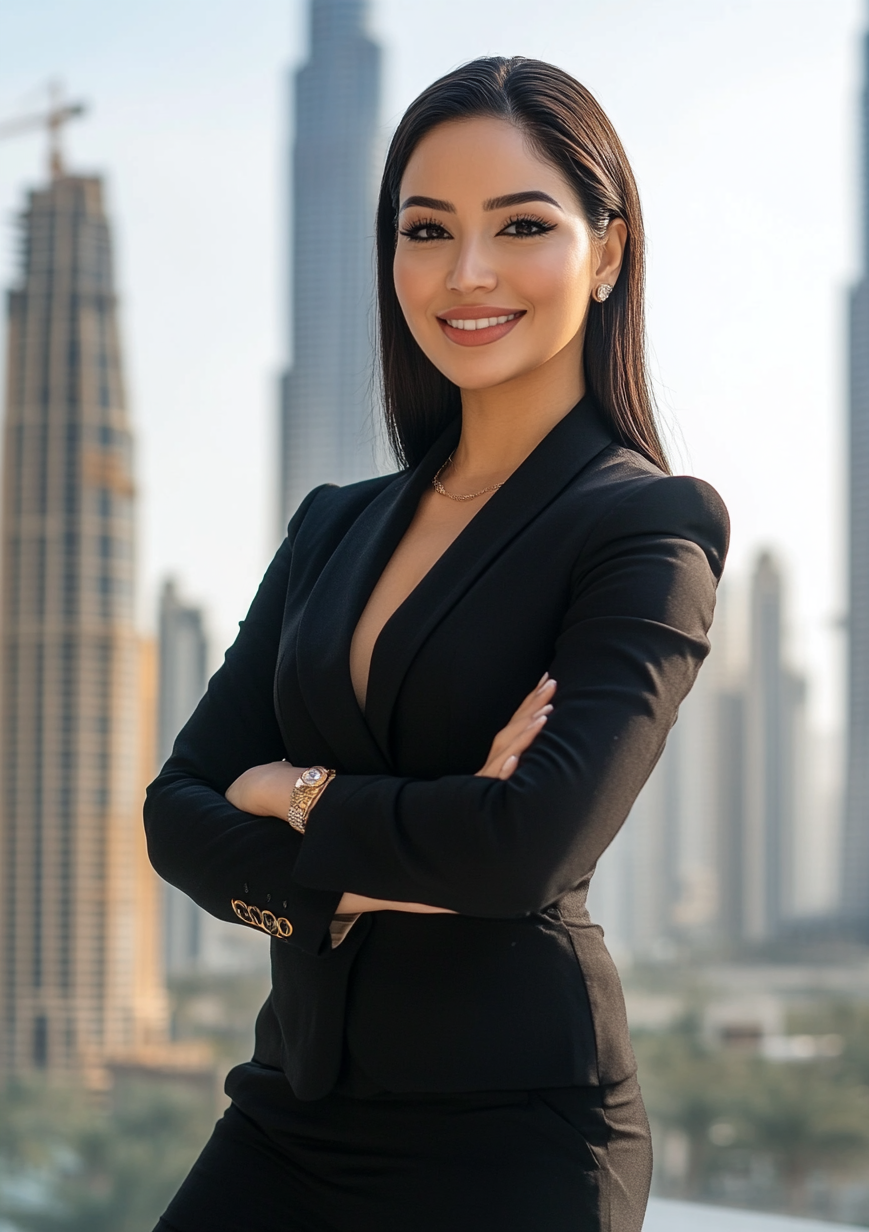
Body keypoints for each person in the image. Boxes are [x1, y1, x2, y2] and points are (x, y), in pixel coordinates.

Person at [146, 55, 728, 1232]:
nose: (467, 274)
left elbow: (522, 850)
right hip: (288, 1107)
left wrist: (296, 791)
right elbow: (178, 813)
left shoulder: (646, 524)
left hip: (513, 1133)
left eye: (521, 225)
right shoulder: (334, 523)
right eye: (427, 230)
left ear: (607, 251)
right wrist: (370, 880)